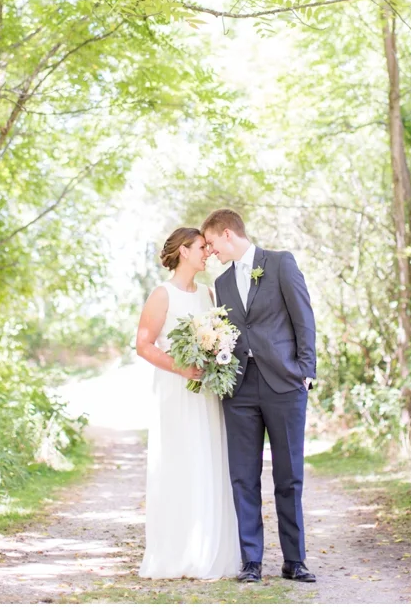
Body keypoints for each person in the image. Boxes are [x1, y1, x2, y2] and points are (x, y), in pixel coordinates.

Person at [202, 208, 317, 584]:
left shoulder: (280, 263)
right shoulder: (220, 283)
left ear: (228, 235)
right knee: (243, 477)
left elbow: (304, 317)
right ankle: (251, 561)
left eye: (212, 243)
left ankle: (294, 561)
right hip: (239, 389)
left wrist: (306, 371)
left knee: (289, 476)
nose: (211, 251)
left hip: (284, 384)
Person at [134, 227, 244, 580]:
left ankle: (209, 550)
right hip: (175, 391)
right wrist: (180, 367)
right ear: (183, 251)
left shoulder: (208, 294)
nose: (207, 252)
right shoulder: (162, 295)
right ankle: (175, 553)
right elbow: (144, 345)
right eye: (201, 247)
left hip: (205, 393)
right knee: (179, 463)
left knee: (208, 462)